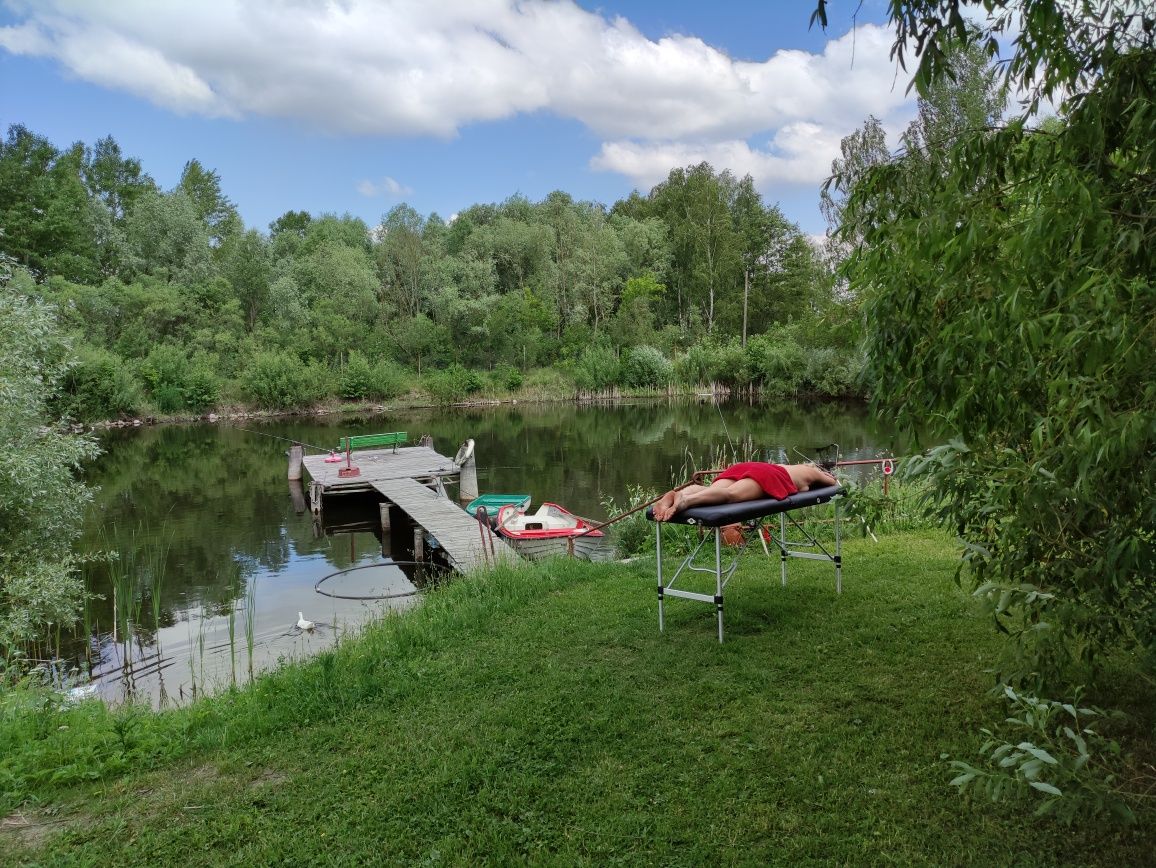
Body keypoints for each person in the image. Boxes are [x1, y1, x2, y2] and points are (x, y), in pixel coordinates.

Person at [651, 462, 838, 522]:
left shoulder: (796, 467)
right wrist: (826, 474)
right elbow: (833, 483)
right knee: (731, 495)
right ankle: (685, 500)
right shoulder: (812, 471)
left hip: (746, 466)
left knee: (712, 490)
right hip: (769, 475)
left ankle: (679, 493)